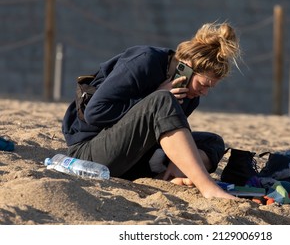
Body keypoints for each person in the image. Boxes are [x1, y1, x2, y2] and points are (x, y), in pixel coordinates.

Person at [62, 22, 241, 199]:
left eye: (210, 88)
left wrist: (176, 161)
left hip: (135, 159)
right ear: (186, 66)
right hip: (90, 155)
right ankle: (207, 187)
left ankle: (169, 175)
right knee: (162, 99)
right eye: (203, 84)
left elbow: (163, 132)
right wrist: (155, 94)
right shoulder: (145, 61)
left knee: (213, 142)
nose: (204, 92)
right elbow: (94, 113)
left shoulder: (189, 96)